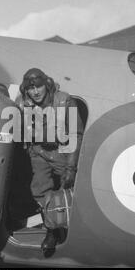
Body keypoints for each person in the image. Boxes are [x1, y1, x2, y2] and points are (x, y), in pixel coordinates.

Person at [15, 68, 84, 255]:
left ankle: (71, 229)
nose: (35, 92)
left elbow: (75, 134)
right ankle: (52, 230)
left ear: (46, 84)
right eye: (31, 89)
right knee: (39, 189)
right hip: (38, 152)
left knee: (70, 189)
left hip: (62, 151)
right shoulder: (22, 103)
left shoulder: (63, 100)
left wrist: (71, 168)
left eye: (38, 87)